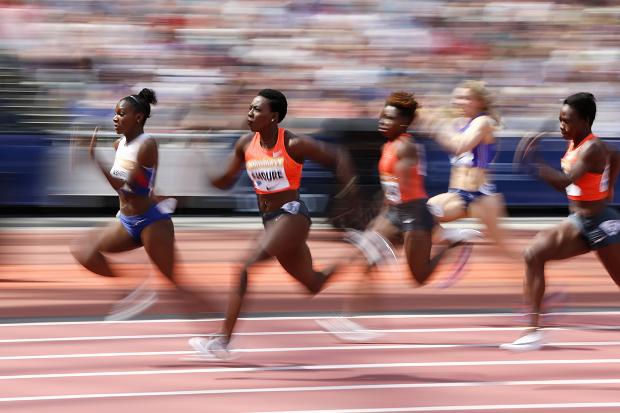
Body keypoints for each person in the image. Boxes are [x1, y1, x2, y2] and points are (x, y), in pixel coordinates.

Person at [188, 89, 358, 359]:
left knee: (243, 267)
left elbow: (339, 158)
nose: (250, 113)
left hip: (292, 216)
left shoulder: (293, 144)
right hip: (271, 222)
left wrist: (346, 198)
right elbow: (223, 182)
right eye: (250, 108)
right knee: (313, 283)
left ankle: (223, 342)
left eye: (257, 109)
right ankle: (362, 254)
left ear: (274, 117)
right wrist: (201, 159)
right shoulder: (246, 144)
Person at [317, 91, 475, 341]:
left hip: (414, 217)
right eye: (382, 116)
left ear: (402, 123)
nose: (382, 121)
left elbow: (405, 191)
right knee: (365, 260)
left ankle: (453, 242)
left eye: (389, 118)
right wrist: (377, 224)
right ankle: (348, 319)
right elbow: (391, 191)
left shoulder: (405, 146)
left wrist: (395, 235)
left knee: (418, 278)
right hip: (395, 214)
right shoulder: (389, 145)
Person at [71, 88, 213, 320]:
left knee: (175, 283)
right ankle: (130, 292)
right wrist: (158, 195)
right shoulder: (119, 145)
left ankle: (219, 329)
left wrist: (95, 158)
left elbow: (131, 188)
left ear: (138, 117)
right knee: (84, 251)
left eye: (121, 113)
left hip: (152, 224)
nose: (115, 118)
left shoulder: (147, 145)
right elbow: (143, 185)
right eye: (114, 113)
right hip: (127, 221)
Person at [501, 92, 620, 351]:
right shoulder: (577, 143)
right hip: (579, 221)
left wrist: (536, 164)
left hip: (601, 222)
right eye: (560, 120)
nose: (562, 125)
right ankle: (532, 332)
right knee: (533, 254)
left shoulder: (592, 147)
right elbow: (615, 156)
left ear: (586, 121)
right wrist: (608, 186)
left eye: (568, 120)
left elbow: (566, 182)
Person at [424, 81, 519, 276]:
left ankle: (541, 284)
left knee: (506, 253)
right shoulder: (455, 124)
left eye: (466, 97)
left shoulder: (483, 122)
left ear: (479, 102)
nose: (459, 101)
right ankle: (456, 238)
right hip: (458, 195)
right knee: (421, 216)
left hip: (481, 197)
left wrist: (436, 127)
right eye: (457, 97)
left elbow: (460, 145)